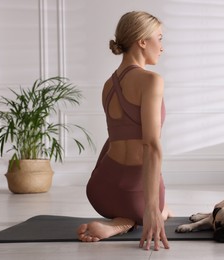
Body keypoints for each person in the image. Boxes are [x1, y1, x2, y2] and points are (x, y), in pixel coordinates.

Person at [77, 11, 171, 251]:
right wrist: (152, 209)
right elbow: (150, 145)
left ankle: (122, 219)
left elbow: (113, 139)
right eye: (159, 38)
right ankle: (125, 222)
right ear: (142, 41)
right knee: (161, 209)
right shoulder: (151, 80)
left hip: (100, 190)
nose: (162, 47)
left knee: (161, 207)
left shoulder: (109, 85)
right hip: (134, 193)